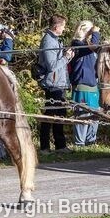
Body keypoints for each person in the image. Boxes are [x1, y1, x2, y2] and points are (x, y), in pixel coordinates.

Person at [34, 15, 73, 152]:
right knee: (50, 114)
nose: (64, 28)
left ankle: (60, 145)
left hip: (59, 83)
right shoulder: (49, 41)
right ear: (56, 27)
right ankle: (45, 146)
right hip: (52, 83)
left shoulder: (56, 40)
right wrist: (66, 57)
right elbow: (51, 65)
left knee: (60, 114)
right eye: (63, 26)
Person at [69, 20, 101, 148]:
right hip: (81, 84)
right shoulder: (77, 45)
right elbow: (93, 45)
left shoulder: (88, 46)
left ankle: (91, 140)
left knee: (95, 114)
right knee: (82, 114)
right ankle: (80, 143)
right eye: (90, 31)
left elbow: (95, 47)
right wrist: (96, 33)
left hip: (93, 84)